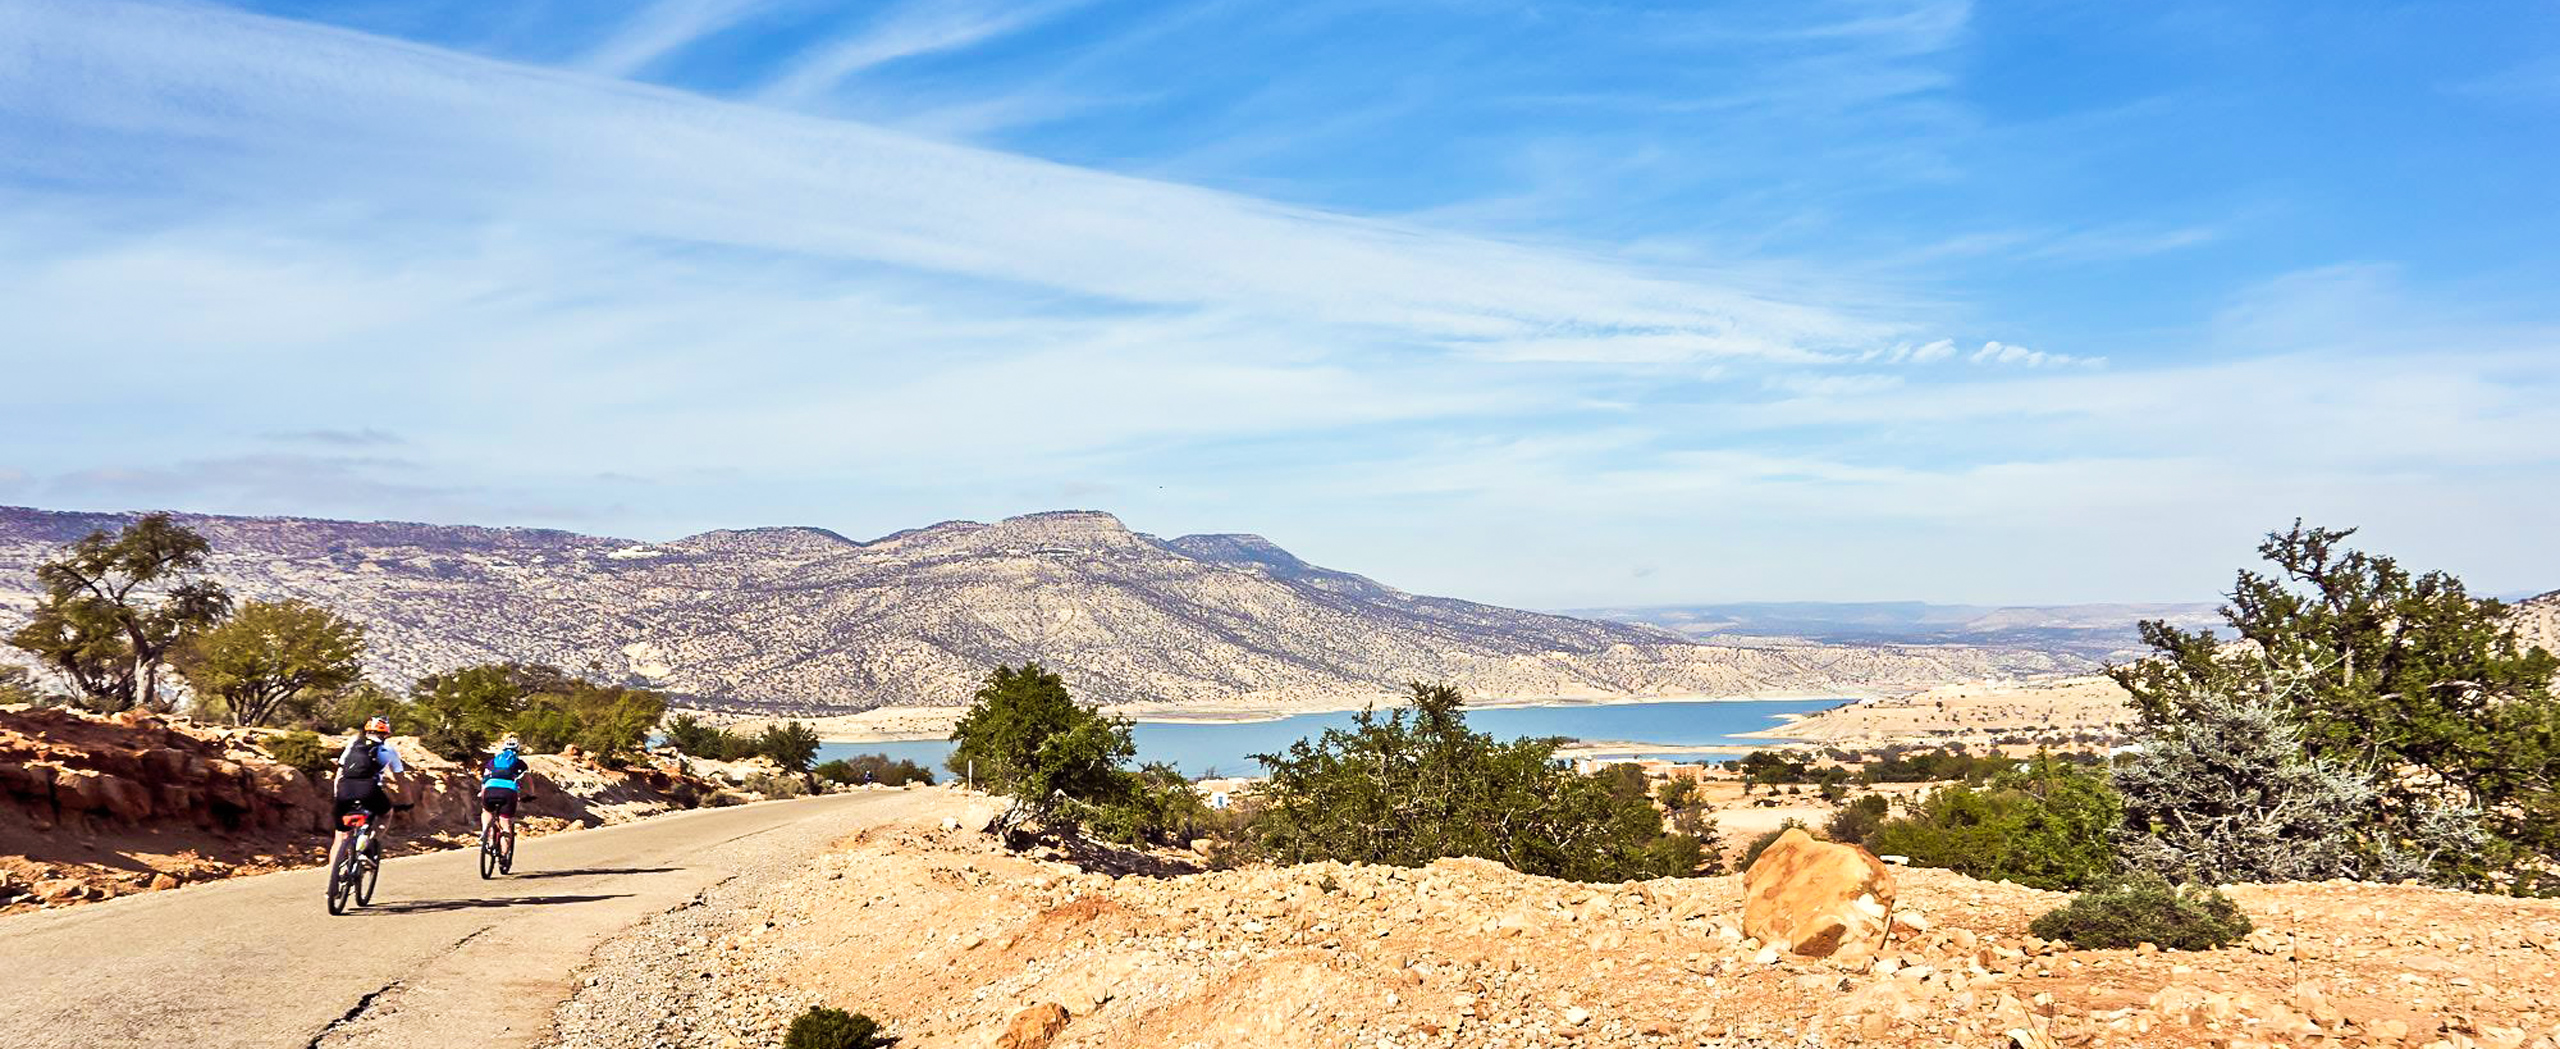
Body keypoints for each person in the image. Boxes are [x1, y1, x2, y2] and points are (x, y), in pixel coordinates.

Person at [329, 716, 405, 872]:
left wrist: (337, 795)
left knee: (341, 837)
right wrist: (406, 800)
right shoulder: (388, 750)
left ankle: (332, 883)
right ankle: (369, 845)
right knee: (386, 814)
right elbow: (400, 777)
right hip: (370, 791)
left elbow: (340, 773)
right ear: (386, 734)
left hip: (345, 790)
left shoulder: (352, 745)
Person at [480, 734, 529, 864]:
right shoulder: (520, 764)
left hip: (490, 789)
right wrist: (529, 794)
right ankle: (503, 856)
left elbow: (484, 779)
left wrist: (482, 793)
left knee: (487, 811)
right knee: (506, 823)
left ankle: (486, 835)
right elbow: (527, 782)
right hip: (508, 792)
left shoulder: (493, 761)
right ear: (518, 750)